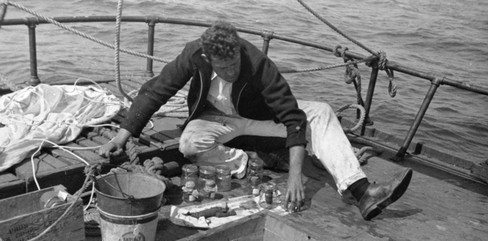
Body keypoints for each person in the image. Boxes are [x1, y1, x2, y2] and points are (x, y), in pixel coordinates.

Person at [99, 20, 412, 220]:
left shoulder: (257, 63)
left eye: (236, 63)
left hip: (258, 118)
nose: (232, 71)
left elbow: (292, 117)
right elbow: (158, 90)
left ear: (239, 51)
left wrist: (295, 178)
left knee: (321, 111)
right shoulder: (194, 55)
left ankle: (361, 191)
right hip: (217, 120)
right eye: (224, 67)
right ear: (208, 59)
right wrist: (123, 136)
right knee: (188, 143)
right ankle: (251, 161)